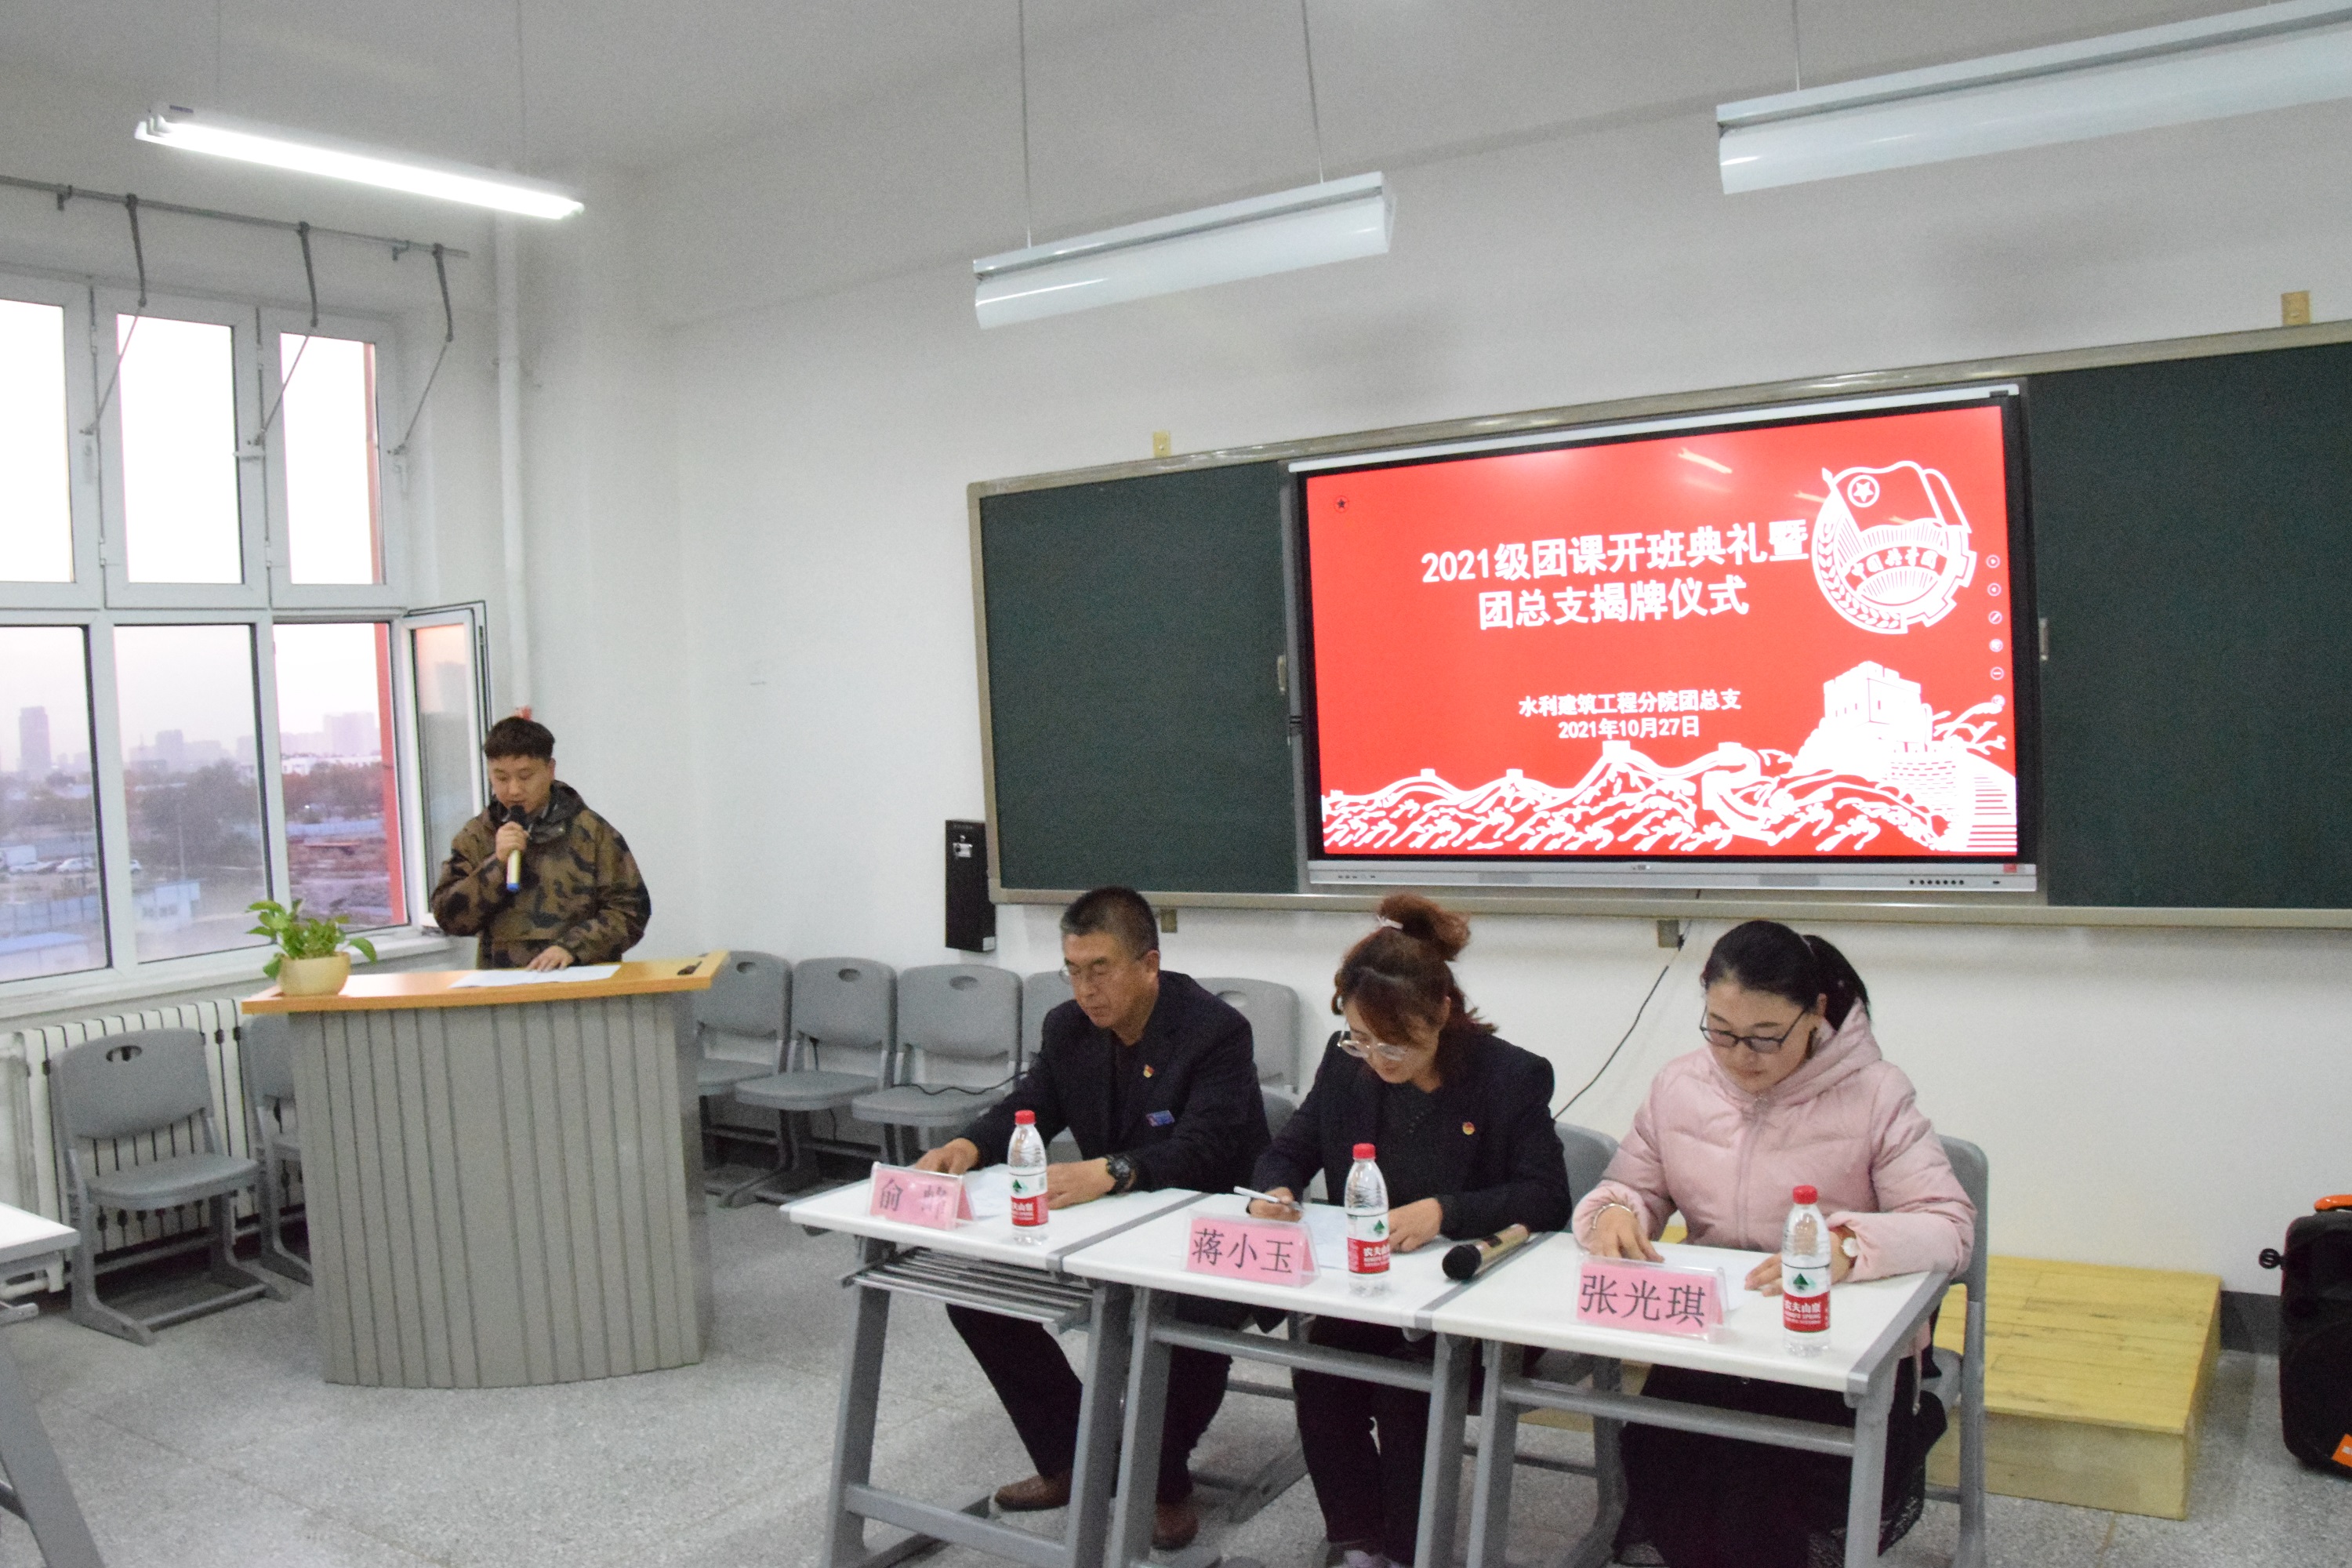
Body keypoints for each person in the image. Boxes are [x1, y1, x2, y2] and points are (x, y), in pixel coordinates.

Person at [1575, 920, 1974, 1568]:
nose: (1741, 1056)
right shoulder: (1679, 1086)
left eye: (1766, 1037)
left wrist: (1846, 1247)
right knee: (1662, 1458)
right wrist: (1616, 1212)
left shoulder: (1876, 1094)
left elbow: (1949, 1226)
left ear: (1815, 1013)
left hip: (1831, 1346)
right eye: (1721, 1031)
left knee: (1759, 1489)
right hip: (1718, 1337)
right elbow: (1633, 1185)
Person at [916, 886, 1268, 1552]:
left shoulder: (1214, 1031)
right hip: (1108, 1225)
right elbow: (1028, 1106)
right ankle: (1076, 1459)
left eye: (1100, 969)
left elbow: (1206, 1148)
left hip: (1208, 1226)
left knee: (1179, 1316)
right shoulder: (1067, 1028)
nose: (1086, 989)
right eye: (1073, 971)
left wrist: (1111, 1170)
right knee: (978, 1299)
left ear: (1148, 964)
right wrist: (968, 1145)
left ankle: (1161, 1483)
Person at [1248, 895, 1570, 1568]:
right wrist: (1277, 1190)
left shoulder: (1510, 1077)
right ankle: (1357, 1539)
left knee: (1406, 1391)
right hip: (1370, 1289)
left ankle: (1407, 1550)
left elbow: (1546, 1197)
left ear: (1443, 1012)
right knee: (1321, 1371)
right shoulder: (1348, 1063)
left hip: (1473, 1304)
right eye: (1361, 1037)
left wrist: (1444, 1213)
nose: (1377, 1058)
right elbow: (1293, 1147)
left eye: (1394, 1042)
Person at [428, 715, 651, 970]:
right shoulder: (477, 835)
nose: (513, 790)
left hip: (578, 979)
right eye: (501, 778)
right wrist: (496, 865)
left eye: (525, 776)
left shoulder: (591, 831)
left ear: (550, 770)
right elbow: (449, 918)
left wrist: (573, 947)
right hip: (505, 981)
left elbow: (631, 911)